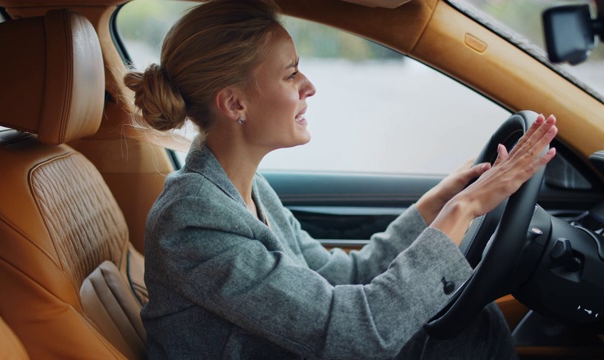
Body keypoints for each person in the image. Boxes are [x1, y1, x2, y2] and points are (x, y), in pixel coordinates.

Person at [124, 0, 557, 358]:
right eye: (291, 73)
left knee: (470, 326)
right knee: (471, 335)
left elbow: (339, 274)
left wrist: (434, 206)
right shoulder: (193, 221)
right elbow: (354, 336)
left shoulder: (243, 190)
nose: (308, 86)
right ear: (234, 102)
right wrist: (464, 210)